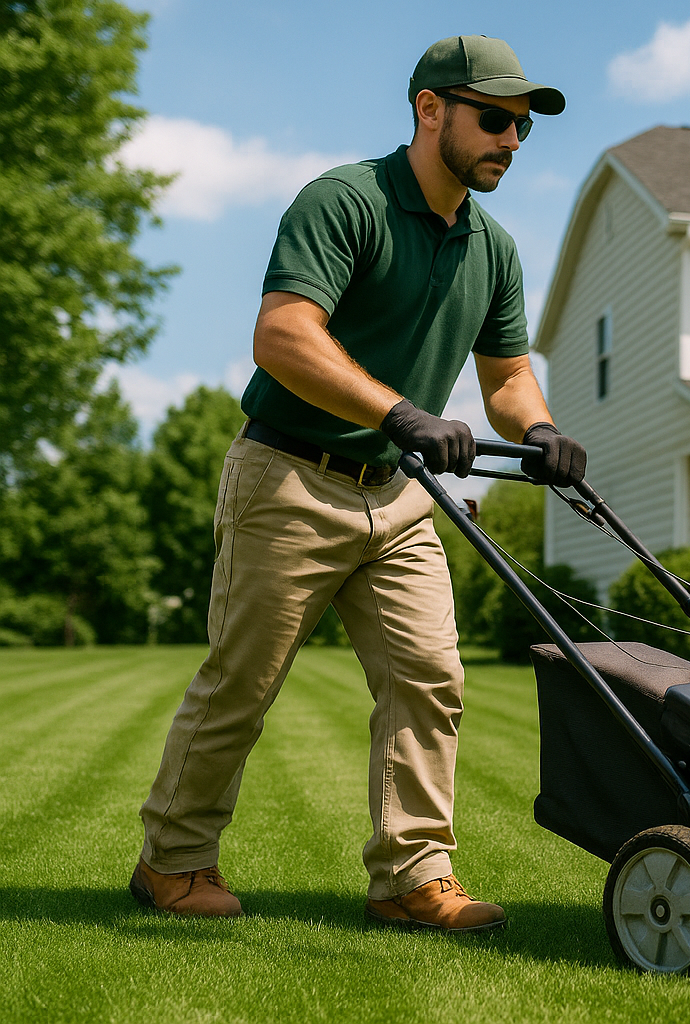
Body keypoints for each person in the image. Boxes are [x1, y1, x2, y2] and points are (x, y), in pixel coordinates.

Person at [130, 35, 585, 933]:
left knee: (429, 677)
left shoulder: (492, 248)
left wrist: (540, 429)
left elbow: (504, 377)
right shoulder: (346, 202)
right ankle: (173, 864)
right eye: (495, 119)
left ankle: (412, 878)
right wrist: (399, 412)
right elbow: (285, 336)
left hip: (402, 496)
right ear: (430, 109)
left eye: (525, 128)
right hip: (291, 479)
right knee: (243, 682)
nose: (512, 140)